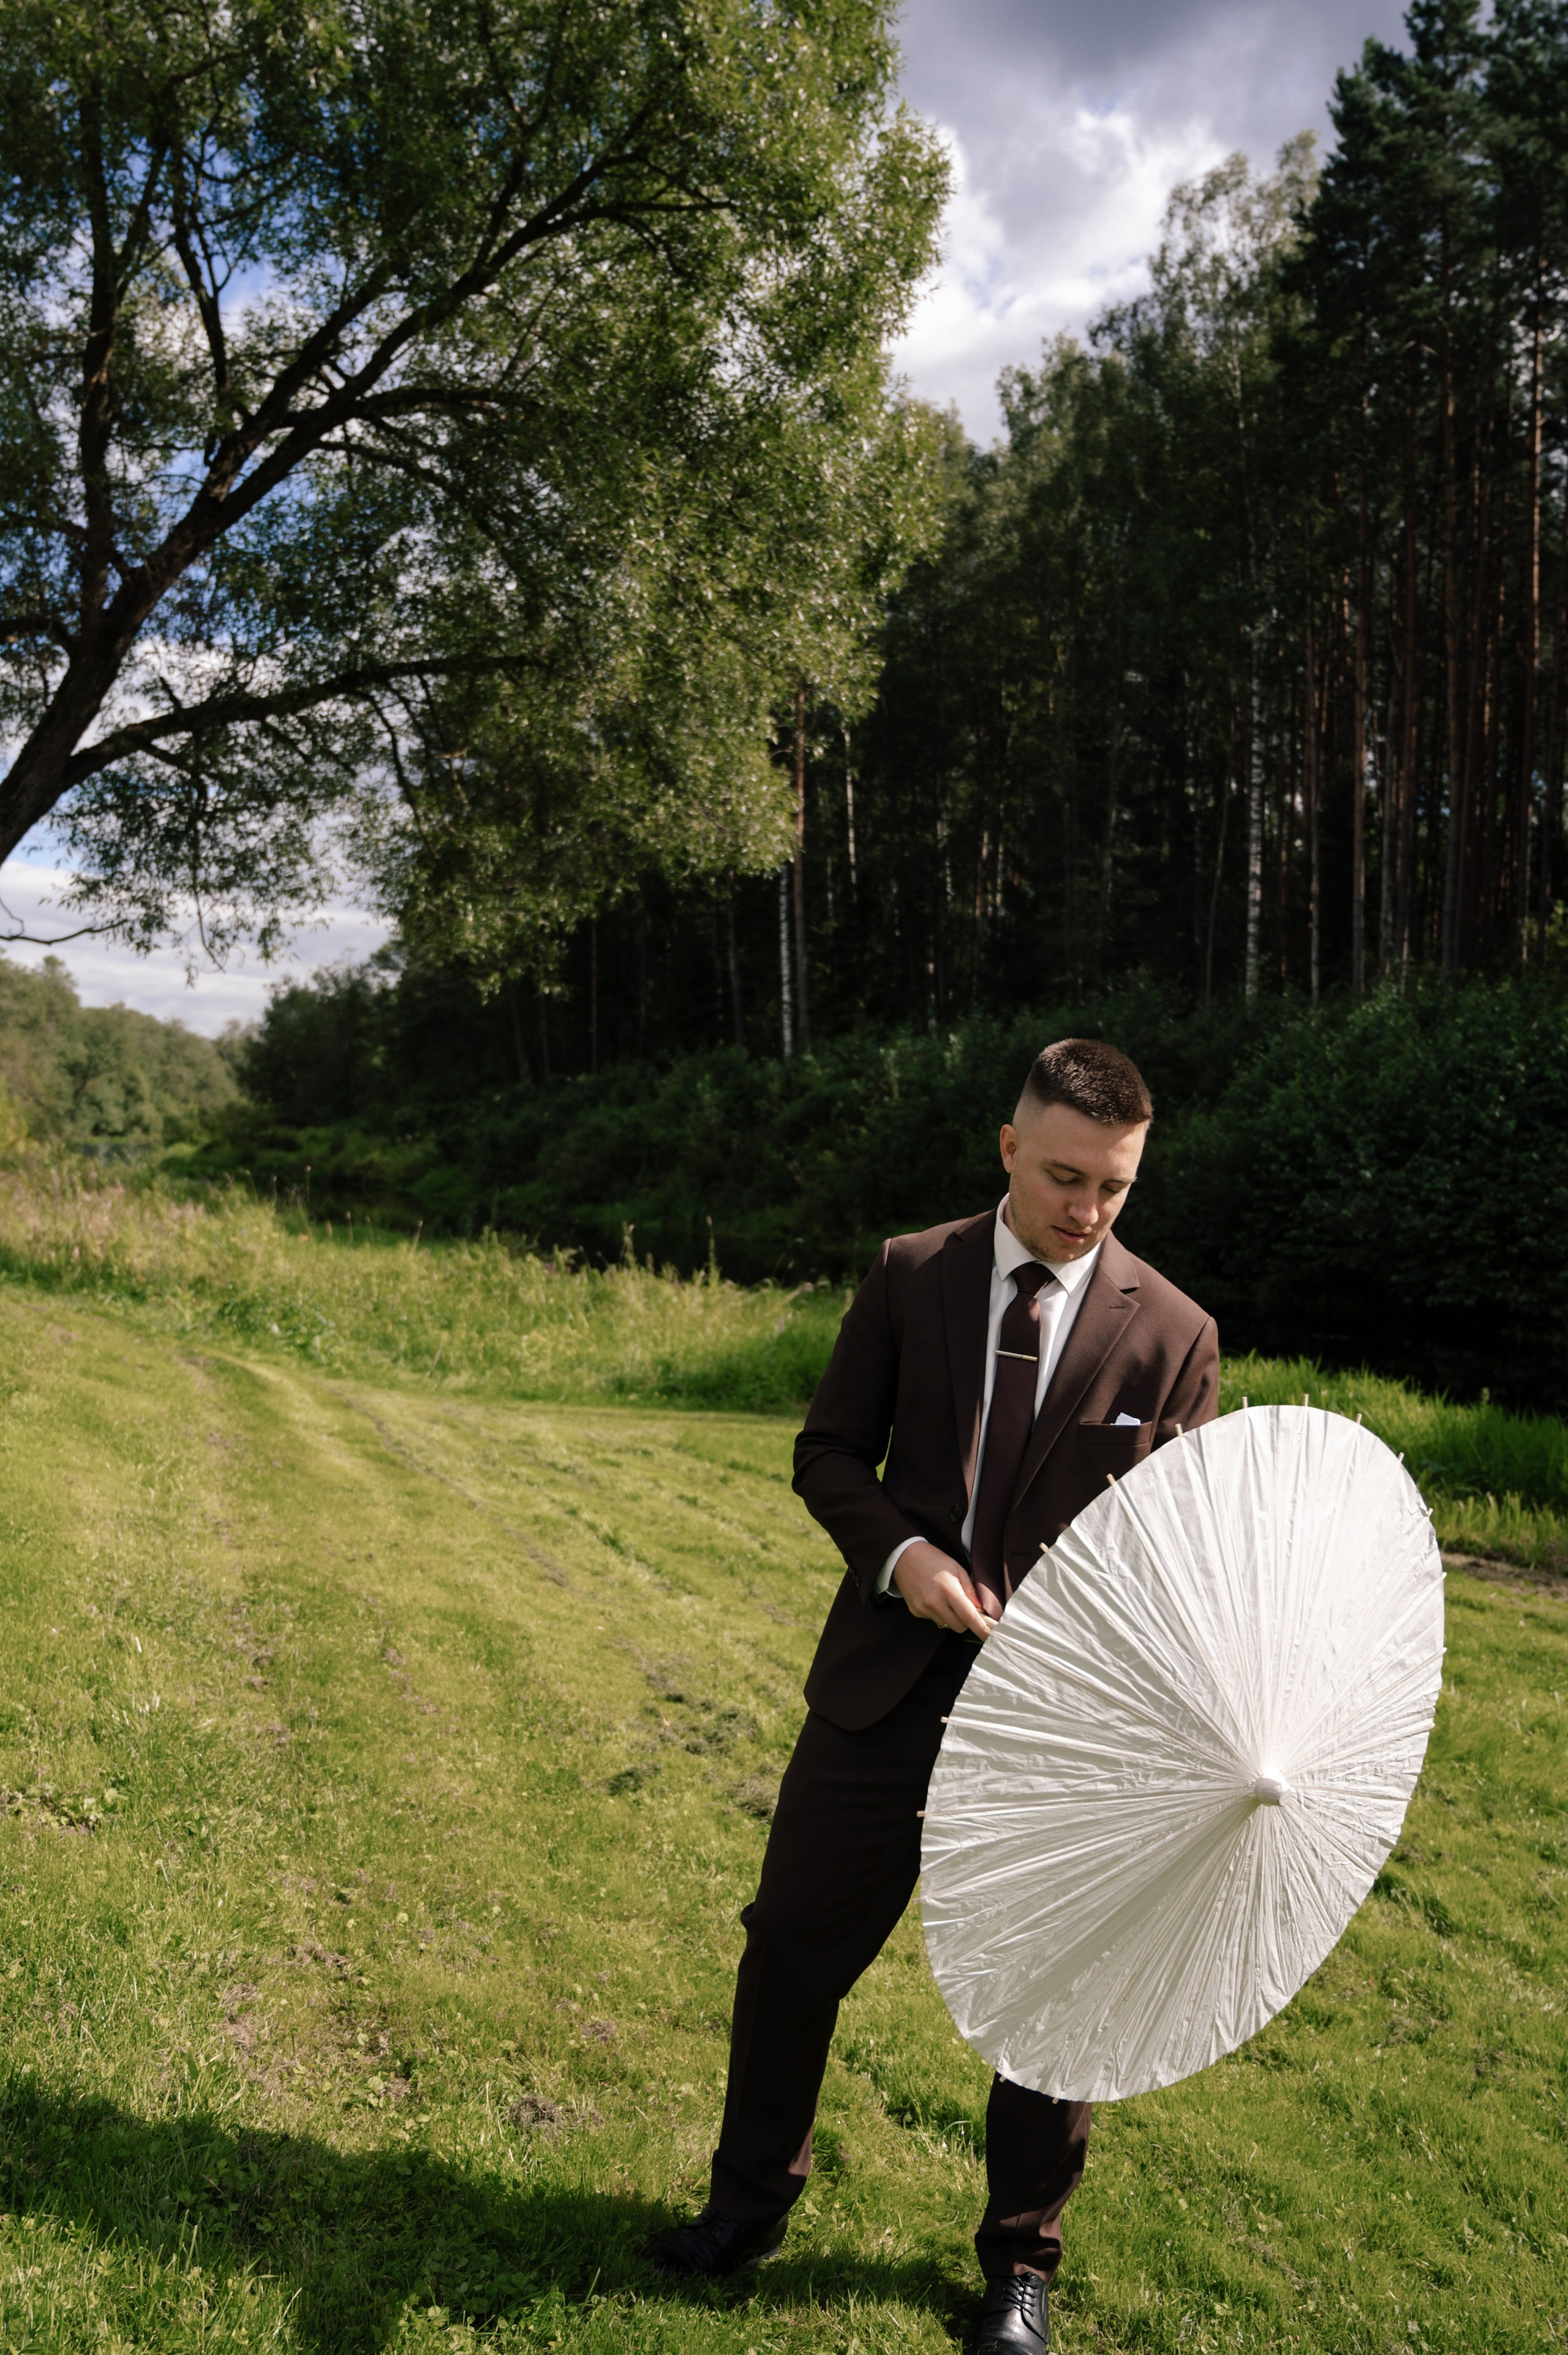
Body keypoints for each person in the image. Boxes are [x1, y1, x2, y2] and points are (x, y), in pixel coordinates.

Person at [651, 1038, 1219, 2353]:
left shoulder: (1177, 1333)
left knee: (1054, 2000)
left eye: (1115, 1187)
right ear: (1009, 1147)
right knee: (790, 1949)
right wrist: (900, 1555)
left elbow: (1178, 1550)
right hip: (882, 1693)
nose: (1086, 1209)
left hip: (1059, 1727)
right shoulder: (911, 1271)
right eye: (1064, 1176)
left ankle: (1020, 2268)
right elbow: (827, 1452)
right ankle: (744, 2207)